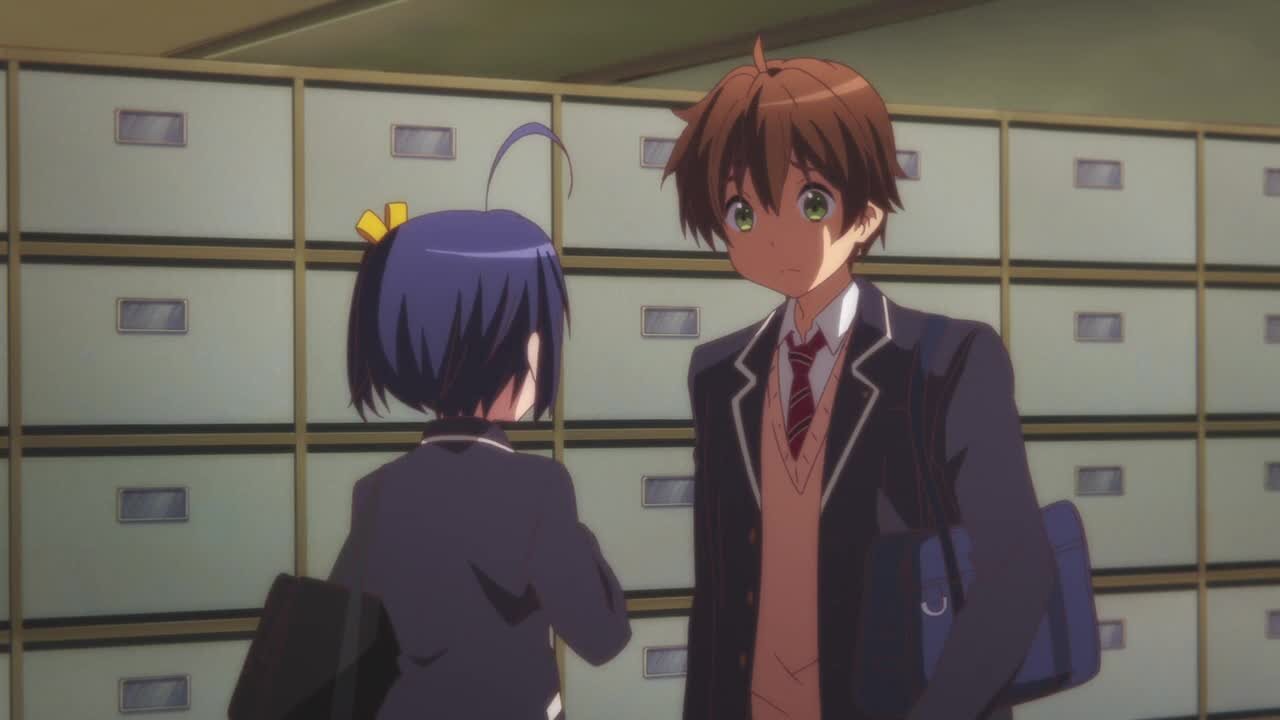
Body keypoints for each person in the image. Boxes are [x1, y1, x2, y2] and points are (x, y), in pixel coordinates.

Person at [664, 39, 1054, 720]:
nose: (772, 234)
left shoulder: (947, 362)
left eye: (811, 202)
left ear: (867, 212)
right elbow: (717, 594)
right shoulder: (719, 374)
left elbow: (1017, 576)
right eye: (742, 212)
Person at [328, 123, 631, 720]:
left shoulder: (378, 491)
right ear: (520, 345)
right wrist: (577, 535)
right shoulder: (538, 490)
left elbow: (344, 642)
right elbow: (603, 634)